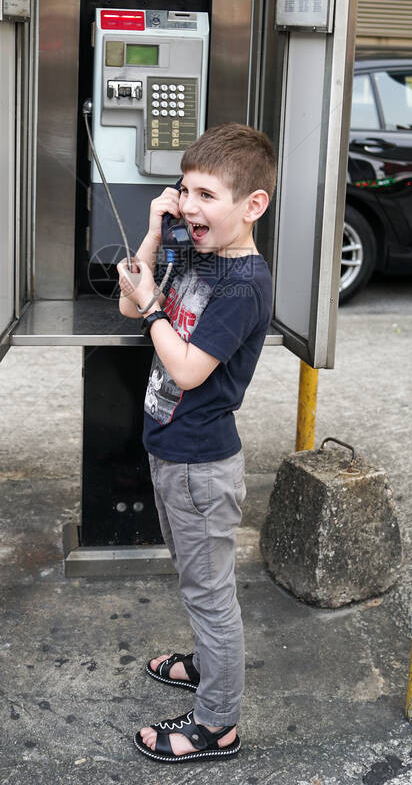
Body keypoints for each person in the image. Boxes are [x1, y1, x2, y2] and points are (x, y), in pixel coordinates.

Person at [116, 122, 276, 764]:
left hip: (201, 465)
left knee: (211, 595)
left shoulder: (243, 286)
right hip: (172, 452)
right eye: (185, 190)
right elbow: (133, 307)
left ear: (252, 206)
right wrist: (155, 239)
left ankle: (218, 724)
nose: (189, 206)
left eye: (207, 195)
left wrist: (154, 306)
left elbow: (185, 369)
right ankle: (208, 666)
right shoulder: (198, 255)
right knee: (195, 582)